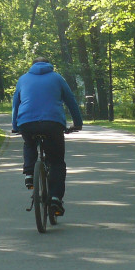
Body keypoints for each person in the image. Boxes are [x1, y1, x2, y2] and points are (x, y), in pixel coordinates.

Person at [11, 57, 83, 216]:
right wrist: (78, 123)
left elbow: (16, 104)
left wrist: (15, 126)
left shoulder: (23, 79)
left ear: (32, 66)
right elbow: (71, 101)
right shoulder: (57, 78)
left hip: (27, 123)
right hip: (53, 124)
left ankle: (29, 174)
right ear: (49, 64)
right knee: (56, 161)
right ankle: (56, 198)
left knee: (29, 144)